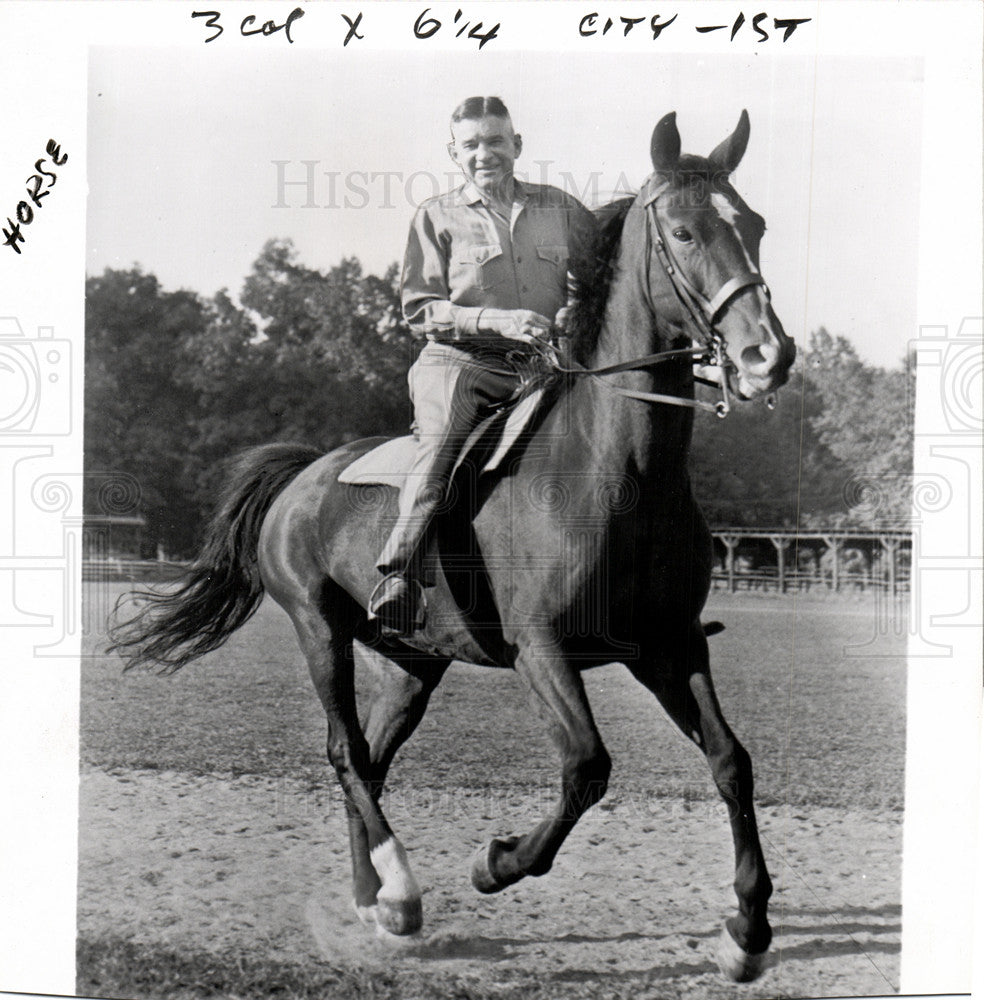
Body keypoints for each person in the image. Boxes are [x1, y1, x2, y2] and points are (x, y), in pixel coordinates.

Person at [369, 96, 595, 634]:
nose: (484, 153)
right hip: (459, 364)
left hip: (543, 366)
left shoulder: (561, 208)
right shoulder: (435, 216)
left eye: (495, 140)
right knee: (440, 451)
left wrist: (573, 308)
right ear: (454, 153)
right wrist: (498, 321)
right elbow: (420, 310)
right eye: (470, 144)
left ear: (517, 145)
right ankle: (399, 575)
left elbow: (596, 280)